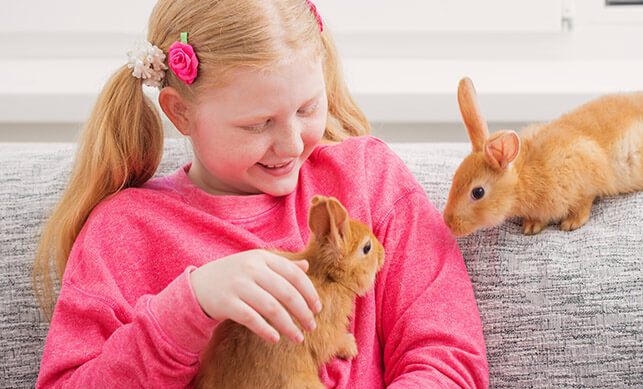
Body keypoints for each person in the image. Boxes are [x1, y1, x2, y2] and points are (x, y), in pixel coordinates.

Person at [33, 0, 488, 387]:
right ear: (180, 114)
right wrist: (187, 309)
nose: (291, 144)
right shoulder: (125, 232)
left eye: (308, 107)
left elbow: (448, 356)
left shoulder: (370, 180)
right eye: (257, 124)